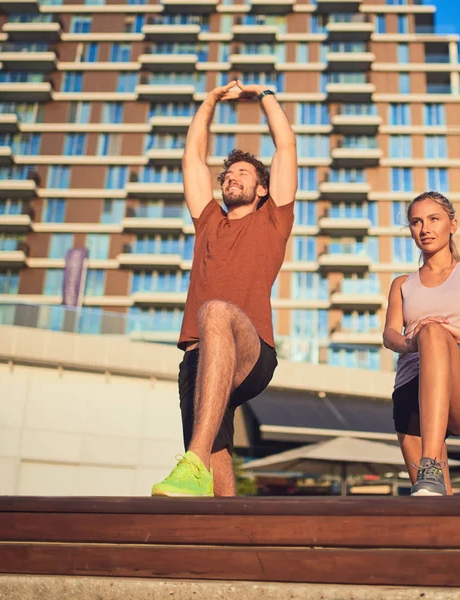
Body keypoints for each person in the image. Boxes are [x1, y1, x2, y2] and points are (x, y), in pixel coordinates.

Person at [152, 80, 297, 497]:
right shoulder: (208, 222)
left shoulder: (273, 220)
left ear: (263, 188)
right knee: (214, 450)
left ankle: (191, 461)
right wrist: (210, 100)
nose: (232, 178)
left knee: (215, 310)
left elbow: (285, 148)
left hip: (251, 352)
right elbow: (192, 157)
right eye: (228, 174)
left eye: (243, 174)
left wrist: (264, 95)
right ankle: (229, 540)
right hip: (198, 358)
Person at [383, 191, 460, 496]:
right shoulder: (402, 284)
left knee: (434, 331)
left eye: (433, 219)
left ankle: (431, 461)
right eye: (416, 222)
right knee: (434, 503)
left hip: (458, 390)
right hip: (409, 391)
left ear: (452, 225)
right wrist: (411, 344)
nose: (424, 228)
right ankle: (434, 477)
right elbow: (389, 334)